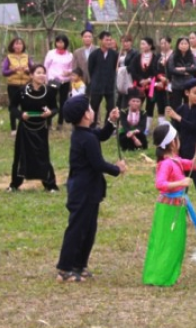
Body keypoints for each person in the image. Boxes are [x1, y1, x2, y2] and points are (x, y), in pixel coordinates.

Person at [55, 95, 126, 282]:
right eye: (90, 108)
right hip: (82, 191)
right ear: (86, 115)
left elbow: (102, 135)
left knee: (89, 229)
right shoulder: (85, 138)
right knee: (77, 229)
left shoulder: (85, 133)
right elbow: (98, 163)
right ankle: (64, 268)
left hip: (90, 190)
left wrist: (111, 121)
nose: (93, 110)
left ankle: (79, 265)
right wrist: (117, 169)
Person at [142, 124, 196, 286]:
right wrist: (181, 182)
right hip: (169, 208)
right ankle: (160, 276)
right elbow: (160, 184)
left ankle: (167, 274)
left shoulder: (175, 160)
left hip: (177, 206)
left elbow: (194, 165)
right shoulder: (166, 164)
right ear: (172, 143)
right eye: (177, 138)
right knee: (167, 242)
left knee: (176, 242)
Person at [166, 78, 196, 225]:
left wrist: (178, 118)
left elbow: (195, 127)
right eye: (195, 93)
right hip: (182, 153)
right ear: (187, 93)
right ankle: (181, 211)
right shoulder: (181, 109)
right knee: (180, 185)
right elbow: (175, 129)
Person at [8, 64, 59, 192]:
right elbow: (12, 107)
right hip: (25, 128)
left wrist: (50, 114)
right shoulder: (22, 91)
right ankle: (15, 184)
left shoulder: (49, 92)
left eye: (43, 73)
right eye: (38, 72)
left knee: (43, 154)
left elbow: (55, 108)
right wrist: (20, 115)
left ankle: (50, 185)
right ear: (31, 75)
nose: (41, 75)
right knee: (20, 155)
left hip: (41, 128)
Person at [2, 37, 33, 136]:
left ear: (23, 46)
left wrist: (28, 70)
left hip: (25, 84)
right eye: (16, 44)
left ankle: (26, 126)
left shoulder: (27, 56)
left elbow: (33, 70)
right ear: (12, 46)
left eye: (20, 44)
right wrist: (14, 70)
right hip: (13, 85)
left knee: (26, 105)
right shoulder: (9, 57)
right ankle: (13, 128)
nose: (18, 46)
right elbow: (4, 72)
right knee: (13, 106)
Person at [88, 31, 119, 127]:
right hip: (97, 85)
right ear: (101, 40)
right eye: (106, 40)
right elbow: (90, 69)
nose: (109, 42)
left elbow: (115, 68)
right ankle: (92, 125)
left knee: (111, 107)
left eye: (110, 40)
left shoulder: (114, 54)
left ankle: (108, 125)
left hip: (110, 85)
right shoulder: (94, 54)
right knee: (94, 107)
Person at [44, 34, 75, 130]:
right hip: (53, 80)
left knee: (63, 102)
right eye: (58, 42)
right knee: (50, 100)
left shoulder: (70, 55)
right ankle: (48, 123)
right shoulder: (51, 53)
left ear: (65, 43)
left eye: (62, 42)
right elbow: (46, 66)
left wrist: (69, 72)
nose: (60, 44)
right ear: (56, 43)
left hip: (64, 81)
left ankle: (60, 123)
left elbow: (72, 68)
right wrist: (46, 79)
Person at [128, 37, 158, 134]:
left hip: (151, 85)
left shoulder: (155, 57)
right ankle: (134, 125)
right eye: (141, 44)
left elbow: (157, 70)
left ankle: (147, 127)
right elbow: (132, 69)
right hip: (139, 84)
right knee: (136, 104)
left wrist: (149, 79)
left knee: (150, 105)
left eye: (144, 44)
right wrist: (140, 80)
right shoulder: (137, 57)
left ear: (150, 45)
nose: (142, 46)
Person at [167, 36, 196, 110]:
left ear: (189, 45)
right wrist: (184, 73)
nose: (184, 46)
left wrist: (184, 68)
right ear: (178, 45)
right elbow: (171, 69)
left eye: (186, 44)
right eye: (181, 44)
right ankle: (175, 120)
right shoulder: (173, 56)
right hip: (176, 85)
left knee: (188, 104)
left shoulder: (191, 55)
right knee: (176, 105)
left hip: (189, 84)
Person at [116, 34, 136, 109]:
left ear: (131, 42)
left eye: (127, 41)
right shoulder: (120, 53)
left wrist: (121, 69)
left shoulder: (134, 53)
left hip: (129, 80)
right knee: (118, 103)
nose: (125, 44)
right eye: (123, 42)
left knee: (126, 103)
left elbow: (132, 67)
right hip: (120, 79)